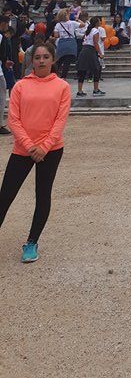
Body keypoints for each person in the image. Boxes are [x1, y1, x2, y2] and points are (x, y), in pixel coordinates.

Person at [0, 41, 70, 263]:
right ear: (32, 60)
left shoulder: (62, 87)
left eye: (45, 57)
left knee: (42, 195)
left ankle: (32, 242)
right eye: (37, 57)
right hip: (24, 149)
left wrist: (44, 146)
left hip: (50, 150)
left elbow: (60, 120)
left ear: (53, 60)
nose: (41, 61)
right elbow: (13, 119)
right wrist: (30, 146)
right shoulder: (21, 86)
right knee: (5, 195)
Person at [76, 17, 105, 97]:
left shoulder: (88, 30)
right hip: (90, 50)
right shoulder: (96, 31)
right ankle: (96, 90)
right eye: (99, 21)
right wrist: (100, 53)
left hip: (84, 50)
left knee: (82, 70)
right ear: (97, 23)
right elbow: (95, 43)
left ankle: (79, 91)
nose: (100, 22)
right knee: (97, 69)